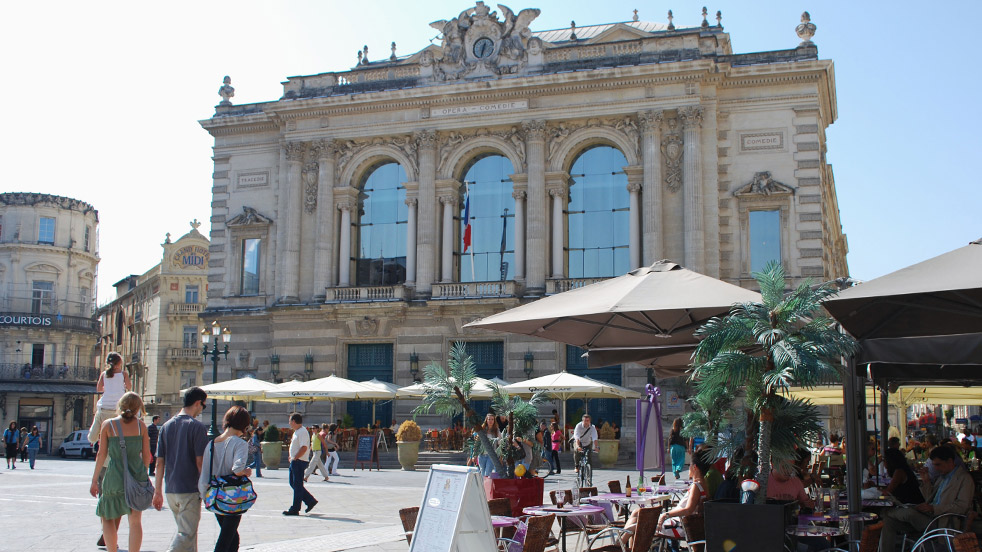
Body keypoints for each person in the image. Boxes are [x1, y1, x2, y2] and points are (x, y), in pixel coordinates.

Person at [880, 444, 975, 551]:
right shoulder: (942, 477)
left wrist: (934, 509)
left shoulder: (964, 479)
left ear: (949, 461)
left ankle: (886, 512)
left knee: (907, 513)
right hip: (929, 517)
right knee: (889, 522)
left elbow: (962, 507)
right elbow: (929, 498)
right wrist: (926, 481)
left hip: (943, 521)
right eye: (934, 465)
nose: (936, 468)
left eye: (938, 464)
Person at [89, 392, 151, 552]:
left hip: (114, 475)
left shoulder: (108, 425)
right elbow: (146, 455)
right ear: (138, 408)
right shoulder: (141, 426)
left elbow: (101, 454)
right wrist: (142, 474)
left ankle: (111, 550)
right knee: (135, 521)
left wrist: (94, 480)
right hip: (136, 474)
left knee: (108, 516)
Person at [152, 386, 209, 552]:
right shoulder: (197, 427)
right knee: (186, 534)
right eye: (203, 406)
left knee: (188, 536)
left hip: (171, 490)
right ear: (198, 403)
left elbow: (159, 463)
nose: (201, 410)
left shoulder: (166, 427)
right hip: (189, 489)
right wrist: (205, 487)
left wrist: (158, 491)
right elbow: (200, 462)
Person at [199, 406, 251, 552]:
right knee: (226, 540)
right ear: (244, 424)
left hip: (215, 495)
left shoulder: (211, 444)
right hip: (233, 496)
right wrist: (246, 471)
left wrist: (204, 495)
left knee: (232, 539)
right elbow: (238, 469)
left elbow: (204, 473)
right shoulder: (240, 443)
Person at [651, 450, 712, 550]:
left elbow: (688, 510)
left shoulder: (696, 486)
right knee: (637, 516)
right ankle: (621, 544)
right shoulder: (704, 485)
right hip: (685, 525)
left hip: (680, 526)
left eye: (689, 466)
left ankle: (621, 546)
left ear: (694, 467)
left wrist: (666, 515)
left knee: (640, 524)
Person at [89, 352, 131, 445]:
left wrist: (108, 389)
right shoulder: (124, 374)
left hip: (104, 408)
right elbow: (129, 386)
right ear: (120, 363)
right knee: (116, 435)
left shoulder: (104, 374)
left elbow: (99, 389)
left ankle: (94, 437)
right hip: (117, 410)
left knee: (93, 436)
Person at [283, 413, 318, 516]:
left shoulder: (302, 432)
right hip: (296, 460)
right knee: (294, 483)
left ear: (294, 421)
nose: (289, 423)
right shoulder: (297, 432)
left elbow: (304, 447)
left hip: (299, 461)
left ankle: (295, 508)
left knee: (297, 485)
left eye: (290, 421)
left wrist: (295, 457)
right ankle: (310, 500)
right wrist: (292, 456)